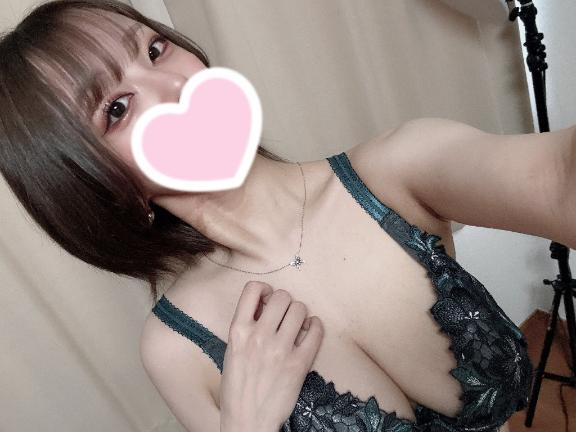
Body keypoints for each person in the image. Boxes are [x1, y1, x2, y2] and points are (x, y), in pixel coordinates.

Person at [2, 0, 574, 431]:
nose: (174, 84)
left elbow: (557, 179)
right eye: (116, 109)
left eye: (154, 50)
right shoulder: (177, 348)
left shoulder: (397, 170)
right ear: (96, 187)